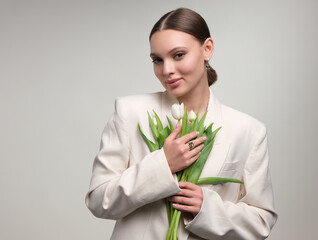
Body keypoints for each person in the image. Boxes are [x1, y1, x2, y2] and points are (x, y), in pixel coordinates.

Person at [85, 8, 277, 240]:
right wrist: (162, 165)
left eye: (178, 55)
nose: (166, 70)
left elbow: (261, 223)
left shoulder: (248, 131)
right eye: (157, 60)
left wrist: (207, 208)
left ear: (207, 49)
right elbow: (98, 201)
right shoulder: (130, 112)